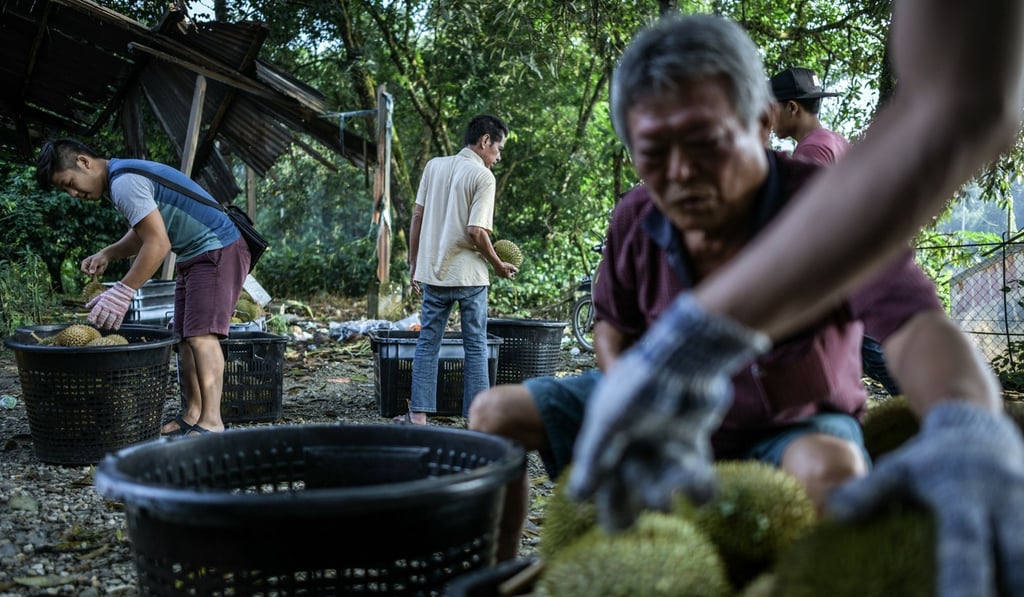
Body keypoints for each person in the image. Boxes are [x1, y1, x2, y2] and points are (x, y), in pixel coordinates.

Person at [567, 9, 1024, 597]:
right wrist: (660, 362)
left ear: (761, 124)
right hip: (692, 415)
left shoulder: (813, 182)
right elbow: (963, 100)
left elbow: (966, 101)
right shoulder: (638, 215)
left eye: (705, 143)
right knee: (501, 415)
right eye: (656, 149)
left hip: (795, 412)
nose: (681, 172)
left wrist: (965, 417)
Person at [35, 138, 250, 436]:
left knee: (202, 337)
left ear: (84, 162)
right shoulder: (121, 179)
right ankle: (192, 415)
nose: (73, 193)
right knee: (184, 339)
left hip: (217, 248)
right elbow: (147, 231)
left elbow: (158, 243)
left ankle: (212, 423)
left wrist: (124, 290)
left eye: (70, 182)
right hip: (196, 254)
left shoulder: (124, 183)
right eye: (65, 190)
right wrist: (108, 253)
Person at [770, 66, 901, 397]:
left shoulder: (811, 151)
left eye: (771, 107)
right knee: (857, 352)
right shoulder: (835, 142)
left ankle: (930, 415)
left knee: (870, 352)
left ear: (792, 108)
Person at [395, 114, 518, 426]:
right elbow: (477, 231)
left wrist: (414, 263)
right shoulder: (483, 177)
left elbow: (417, 218)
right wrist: (498, 265)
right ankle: (476, 419)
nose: (498, 157)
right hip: (470, 277)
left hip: (434, 273)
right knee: (475, 345)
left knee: (428, 343)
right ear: (485, 141)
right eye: (498, 149)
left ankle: (419, 415)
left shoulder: (434, 165)